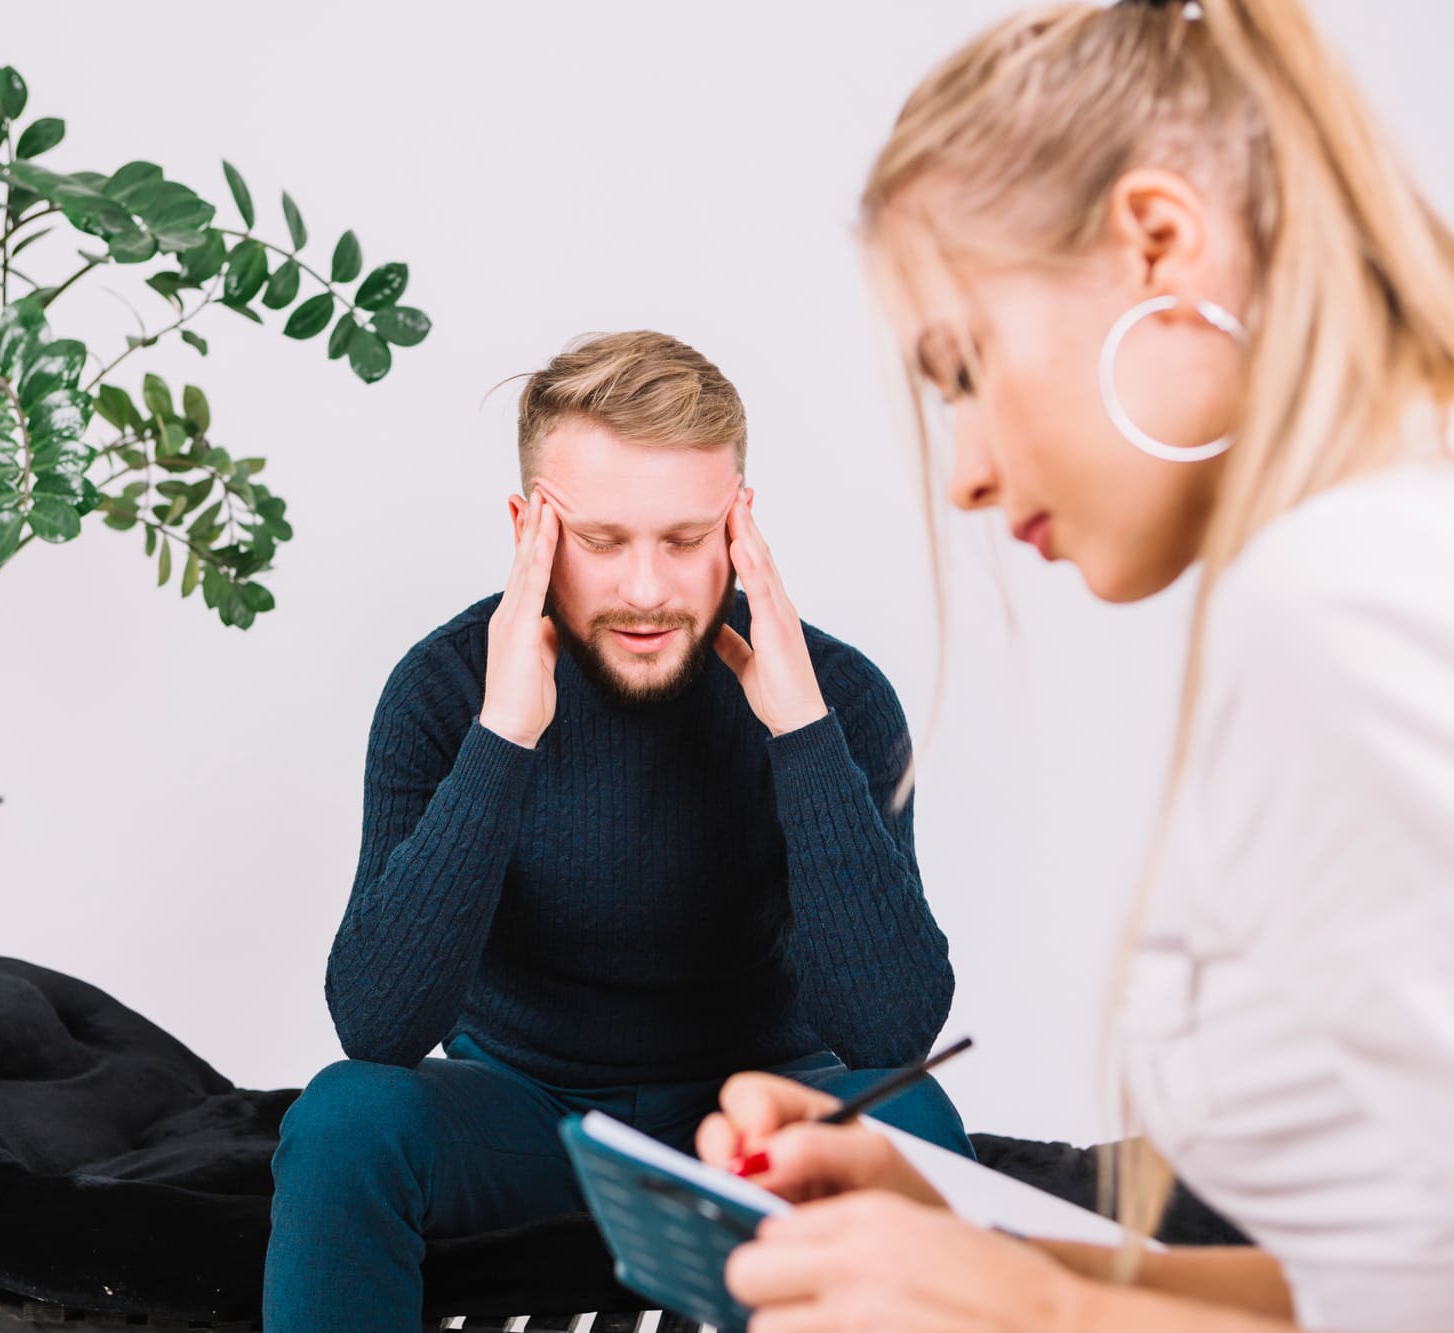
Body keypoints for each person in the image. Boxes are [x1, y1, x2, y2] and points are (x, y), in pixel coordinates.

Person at [694, 0, 1454, 1329]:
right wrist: (970, 1240)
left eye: (963, 369)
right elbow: (1411, 1292)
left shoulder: (1355, 601)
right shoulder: (1448, 522)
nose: (961, 473)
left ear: (1158, 245)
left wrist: (1037, 1319)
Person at [263, 331, 973, 1331]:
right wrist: (503, 732)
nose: (646, 589)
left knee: (908, 1117)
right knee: (344, 1117)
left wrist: (801, 736)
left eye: (685, 540)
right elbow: (378, 1026)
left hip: (757, 1120)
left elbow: (888, 1035)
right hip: (524, 1112)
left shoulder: (835, 694)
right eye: (600, 541)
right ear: (528, 531)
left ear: (739, 524)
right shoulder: (443, 688)